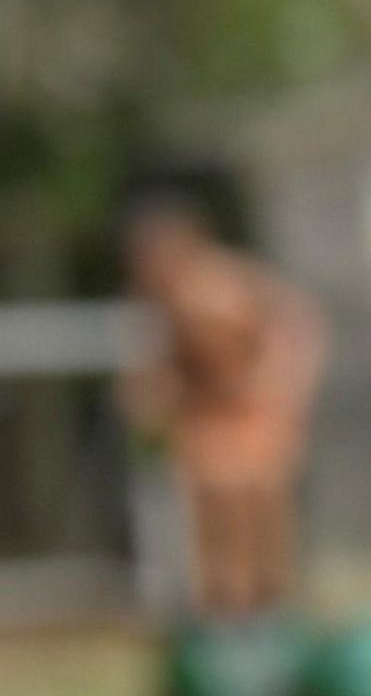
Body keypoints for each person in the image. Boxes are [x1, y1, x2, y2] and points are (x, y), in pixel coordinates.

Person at [121, 196, 327, 618]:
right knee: (208, 508)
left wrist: (277, 385)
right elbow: (160, 365)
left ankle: (269, 606)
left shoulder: (229, 283)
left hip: (252, 411)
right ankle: (222, 609)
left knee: (256, 504)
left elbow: (298, 330)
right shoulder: (159, 297)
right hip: (204, 414)